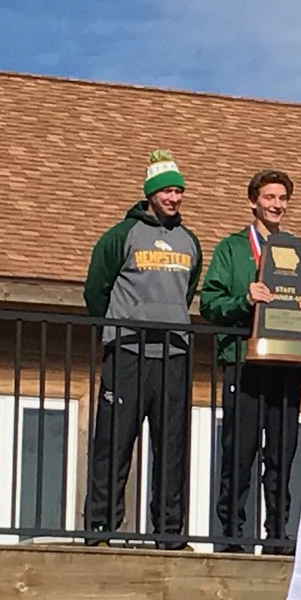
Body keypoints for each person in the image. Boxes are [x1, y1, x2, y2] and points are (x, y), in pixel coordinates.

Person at [82, 150, 202, 548]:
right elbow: (95, 289)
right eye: (167, 191)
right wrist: (118, 326)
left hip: (174, 355)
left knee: (171, 446)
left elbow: (187, 291)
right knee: (114, 441)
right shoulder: (121, 235)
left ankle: (168, 531)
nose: (174, 198)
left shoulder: (190, 241)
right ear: (150, 194)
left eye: (178, 191)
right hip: (128, 352)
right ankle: (101, 526)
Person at [200, 169, 301, 553]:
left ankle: (277, 535)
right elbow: (209, 304)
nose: (276, 205)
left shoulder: (297, 249)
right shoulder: (232, 249)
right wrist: (244, 300)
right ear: (253, 201)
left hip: (286, 363)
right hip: (244, 362)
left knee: (282, 454)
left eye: (282, 198)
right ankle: (233, 534)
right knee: (240, 451)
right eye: (269, 198)